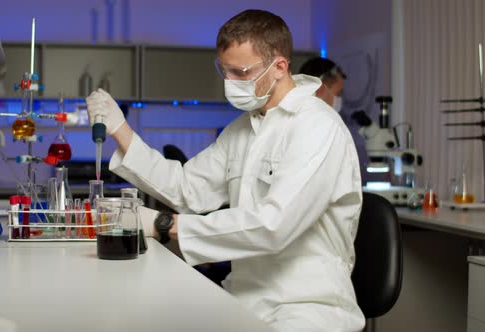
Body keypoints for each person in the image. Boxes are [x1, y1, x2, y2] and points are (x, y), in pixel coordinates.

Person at [87, 9, 364, 332]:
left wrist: (165, 225)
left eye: (240, 72)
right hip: (244, 297)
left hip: (306, 307)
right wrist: (121, 129)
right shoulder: (243, 128)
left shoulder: (317, 127)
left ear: (279, 67)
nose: (229, 83)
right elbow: (186, 188)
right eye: (224, 70)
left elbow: (273, 226)